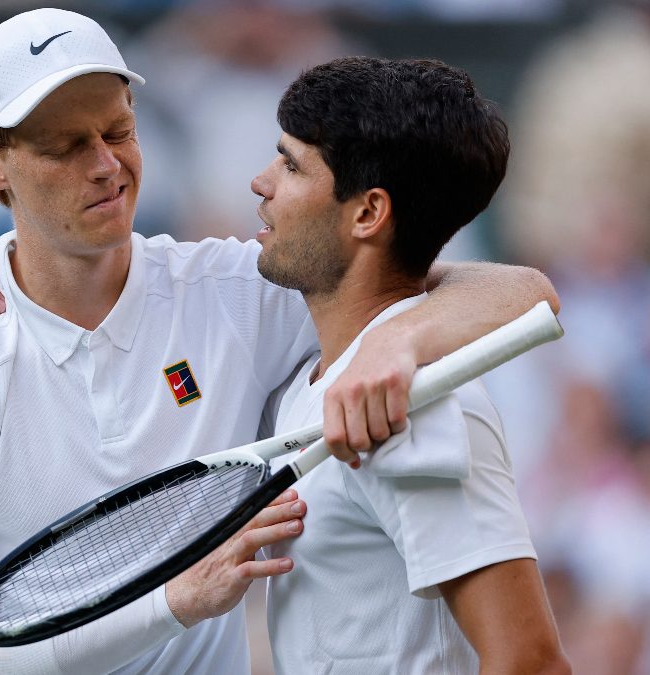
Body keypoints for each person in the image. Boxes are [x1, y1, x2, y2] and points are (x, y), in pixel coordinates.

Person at [0, 8, 557, 674]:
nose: (107, 165)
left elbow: (516, 289)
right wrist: (173, 603)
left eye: (118, 131)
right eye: (67, 146)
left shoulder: (241, 286)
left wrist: (398, 339)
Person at [247, 57, 569, 673]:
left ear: (368, 213)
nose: (261, 182)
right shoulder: (326, 372)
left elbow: (530, 661)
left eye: (290, 164)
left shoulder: (417, 413)